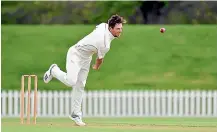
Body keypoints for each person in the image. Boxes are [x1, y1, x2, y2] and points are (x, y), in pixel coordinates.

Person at [43, 14, 126, 126]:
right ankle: (54, 70)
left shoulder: (103, 25)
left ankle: (76, 115)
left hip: (86, 58)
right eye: (118, 29)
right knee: (71, 81)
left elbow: (99, 27)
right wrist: (96, 67)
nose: (120, 31)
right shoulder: (105, 44)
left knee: (80, 85)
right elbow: (99, 60)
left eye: (121, 28)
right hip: (75, 54)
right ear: (111, 28)